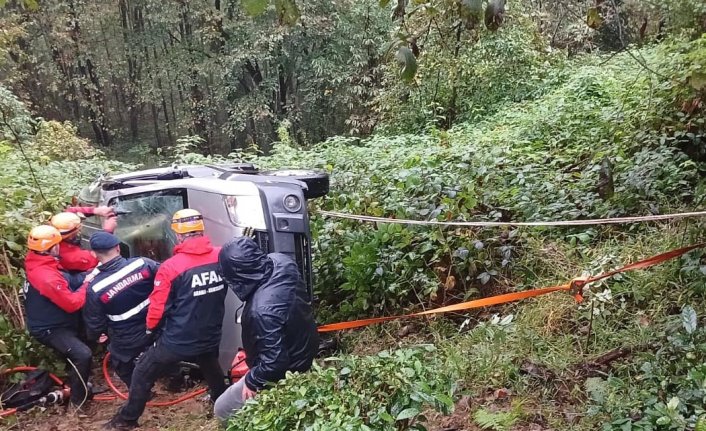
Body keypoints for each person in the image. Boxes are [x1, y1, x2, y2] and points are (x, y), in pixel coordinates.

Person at [104, 209, 228, 430]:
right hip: (210, 333)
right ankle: (224, 405)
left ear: (179, 235)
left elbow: (157, 308)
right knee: (211, 368)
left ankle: (127, 419)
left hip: (178, 340)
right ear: (201, 230)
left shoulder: (171, 267)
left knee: (142, 371)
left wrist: (150, 330)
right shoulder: (221, 257)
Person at [213, 236, 319, 423]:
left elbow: (275, 363)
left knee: (222, 408)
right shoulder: (282, 261)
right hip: (305, 347)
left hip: (290, 369)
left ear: (236, 276)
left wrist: (253, 381)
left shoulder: (260, 311)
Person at [23, 225, 92, 410]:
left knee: (84, 343)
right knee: (82, 355)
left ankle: (82, 385)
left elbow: (66, 279)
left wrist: (84, 277)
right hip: (50, 328)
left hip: (56, 320)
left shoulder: (38, 262)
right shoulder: (47, 277)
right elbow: (72, 304)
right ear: (52, 248)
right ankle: (77, 404)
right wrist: (87, 283)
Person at [82, 231, 160, 387]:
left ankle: (142, 392)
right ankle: (177, 381)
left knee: (120, 363)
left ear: (94, 254)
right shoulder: (143, 264)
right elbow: (166, 277)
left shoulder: (95, 288)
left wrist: (97, 336)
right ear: (118, 248)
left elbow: (94, 323)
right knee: (164, 353)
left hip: (127, 337)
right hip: (157, 326)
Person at [51, 208, 116, 274]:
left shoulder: (51, 231)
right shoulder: (72, 257)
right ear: (70, 236)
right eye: (78, 229)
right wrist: (108, 231)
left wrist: (95, 210)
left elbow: (71, 210)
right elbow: (100, 257)